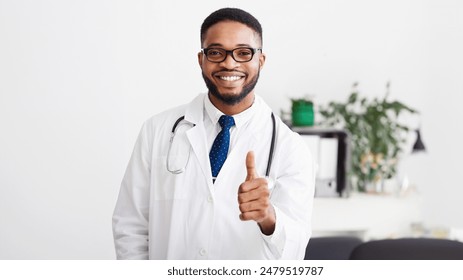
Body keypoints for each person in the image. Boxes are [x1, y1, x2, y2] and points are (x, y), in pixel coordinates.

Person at [112, 7, 315, 260]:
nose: (229, 63)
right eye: (216, 52)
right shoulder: (157, 130)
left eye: (243, 53)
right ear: (201, 59)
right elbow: (130, 226)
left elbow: (295, 250)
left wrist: (267, 216)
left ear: (260, 60)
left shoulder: (290, 148)